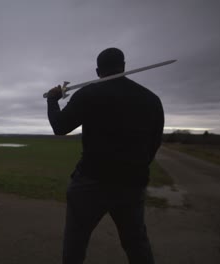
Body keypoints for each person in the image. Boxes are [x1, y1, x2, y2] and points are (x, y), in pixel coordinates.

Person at [46, 48, 164, 264]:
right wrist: (136, 167)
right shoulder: (152, 99)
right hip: (132, 182)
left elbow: (60, 127)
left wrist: (53, 100)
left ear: (98, 70)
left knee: (76, 241)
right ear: (124, 66)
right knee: (136, 243)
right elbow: (154, 144)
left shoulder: (89, 94)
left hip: (91, 182)